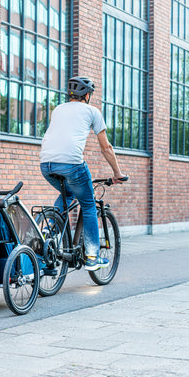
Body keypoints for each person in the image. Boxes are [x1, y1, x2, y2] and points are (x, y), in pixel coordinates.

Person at [40, 76, 126, 271]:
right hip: (71, 164)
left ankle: (48, 231)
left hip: (46, 165)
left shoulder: (58, 109)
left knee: (68, 194)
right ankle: (92, 258)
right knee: (88, 205)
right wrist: (117, 172)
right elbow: (106, 148)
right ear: (87, 95)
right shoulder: (92, 111)